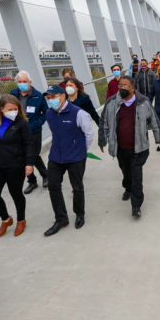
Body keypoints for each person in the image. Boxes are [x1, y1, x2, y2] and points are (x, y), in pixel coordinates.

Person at [98, 76, 160, 217]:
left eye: (126, 86)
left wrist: (159, 139)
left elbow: (154, 120)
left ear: (133, 88)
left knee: (136, 175)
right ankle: (127, 187)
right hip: (120, 147)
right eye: (120, 85)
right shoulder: (112, 102)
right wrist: (102, 140)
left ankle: (136, 206)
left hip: (139, 148)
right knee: (125, 171)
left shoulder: (143, 102)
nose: (122, 88)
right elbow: (104, 122)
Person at [0, 95, 35, 237]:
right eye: (11, 109)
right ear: (1, 109)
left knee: (16, 194)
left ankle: (21, 220)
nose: (14, 111)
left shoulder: (21, 123)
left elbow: (29, 144)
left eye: (16, 109)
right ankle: (5, 219)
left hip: (16, 165)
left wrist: (29, 164)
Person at [42, 85, 94, 236]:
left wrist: (81, 151)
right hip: (55, 157)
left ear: (62, 96)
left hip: (75, 157)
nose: (50, 100)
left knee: (77, 186)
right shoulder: (49, 114)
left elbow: (89, 135)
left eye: (53, 97)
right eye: (48, 98)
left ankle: (79, 214)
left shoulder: (78, 113)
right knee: (53, 187)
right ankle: (61, 218)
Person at [10, 70, 49, 194]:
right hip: (17, 131)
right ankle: (32, 181)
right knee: (22, 156)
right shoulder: (12, 94)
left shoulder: (38, 96)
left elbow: (45, 113)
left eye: (24, 81)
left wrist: (36, 123)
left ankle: (46, 175)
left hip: (34, 131)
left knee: (34, 155)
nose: (22, 84)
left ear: (30, 82)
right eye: (20, 82)